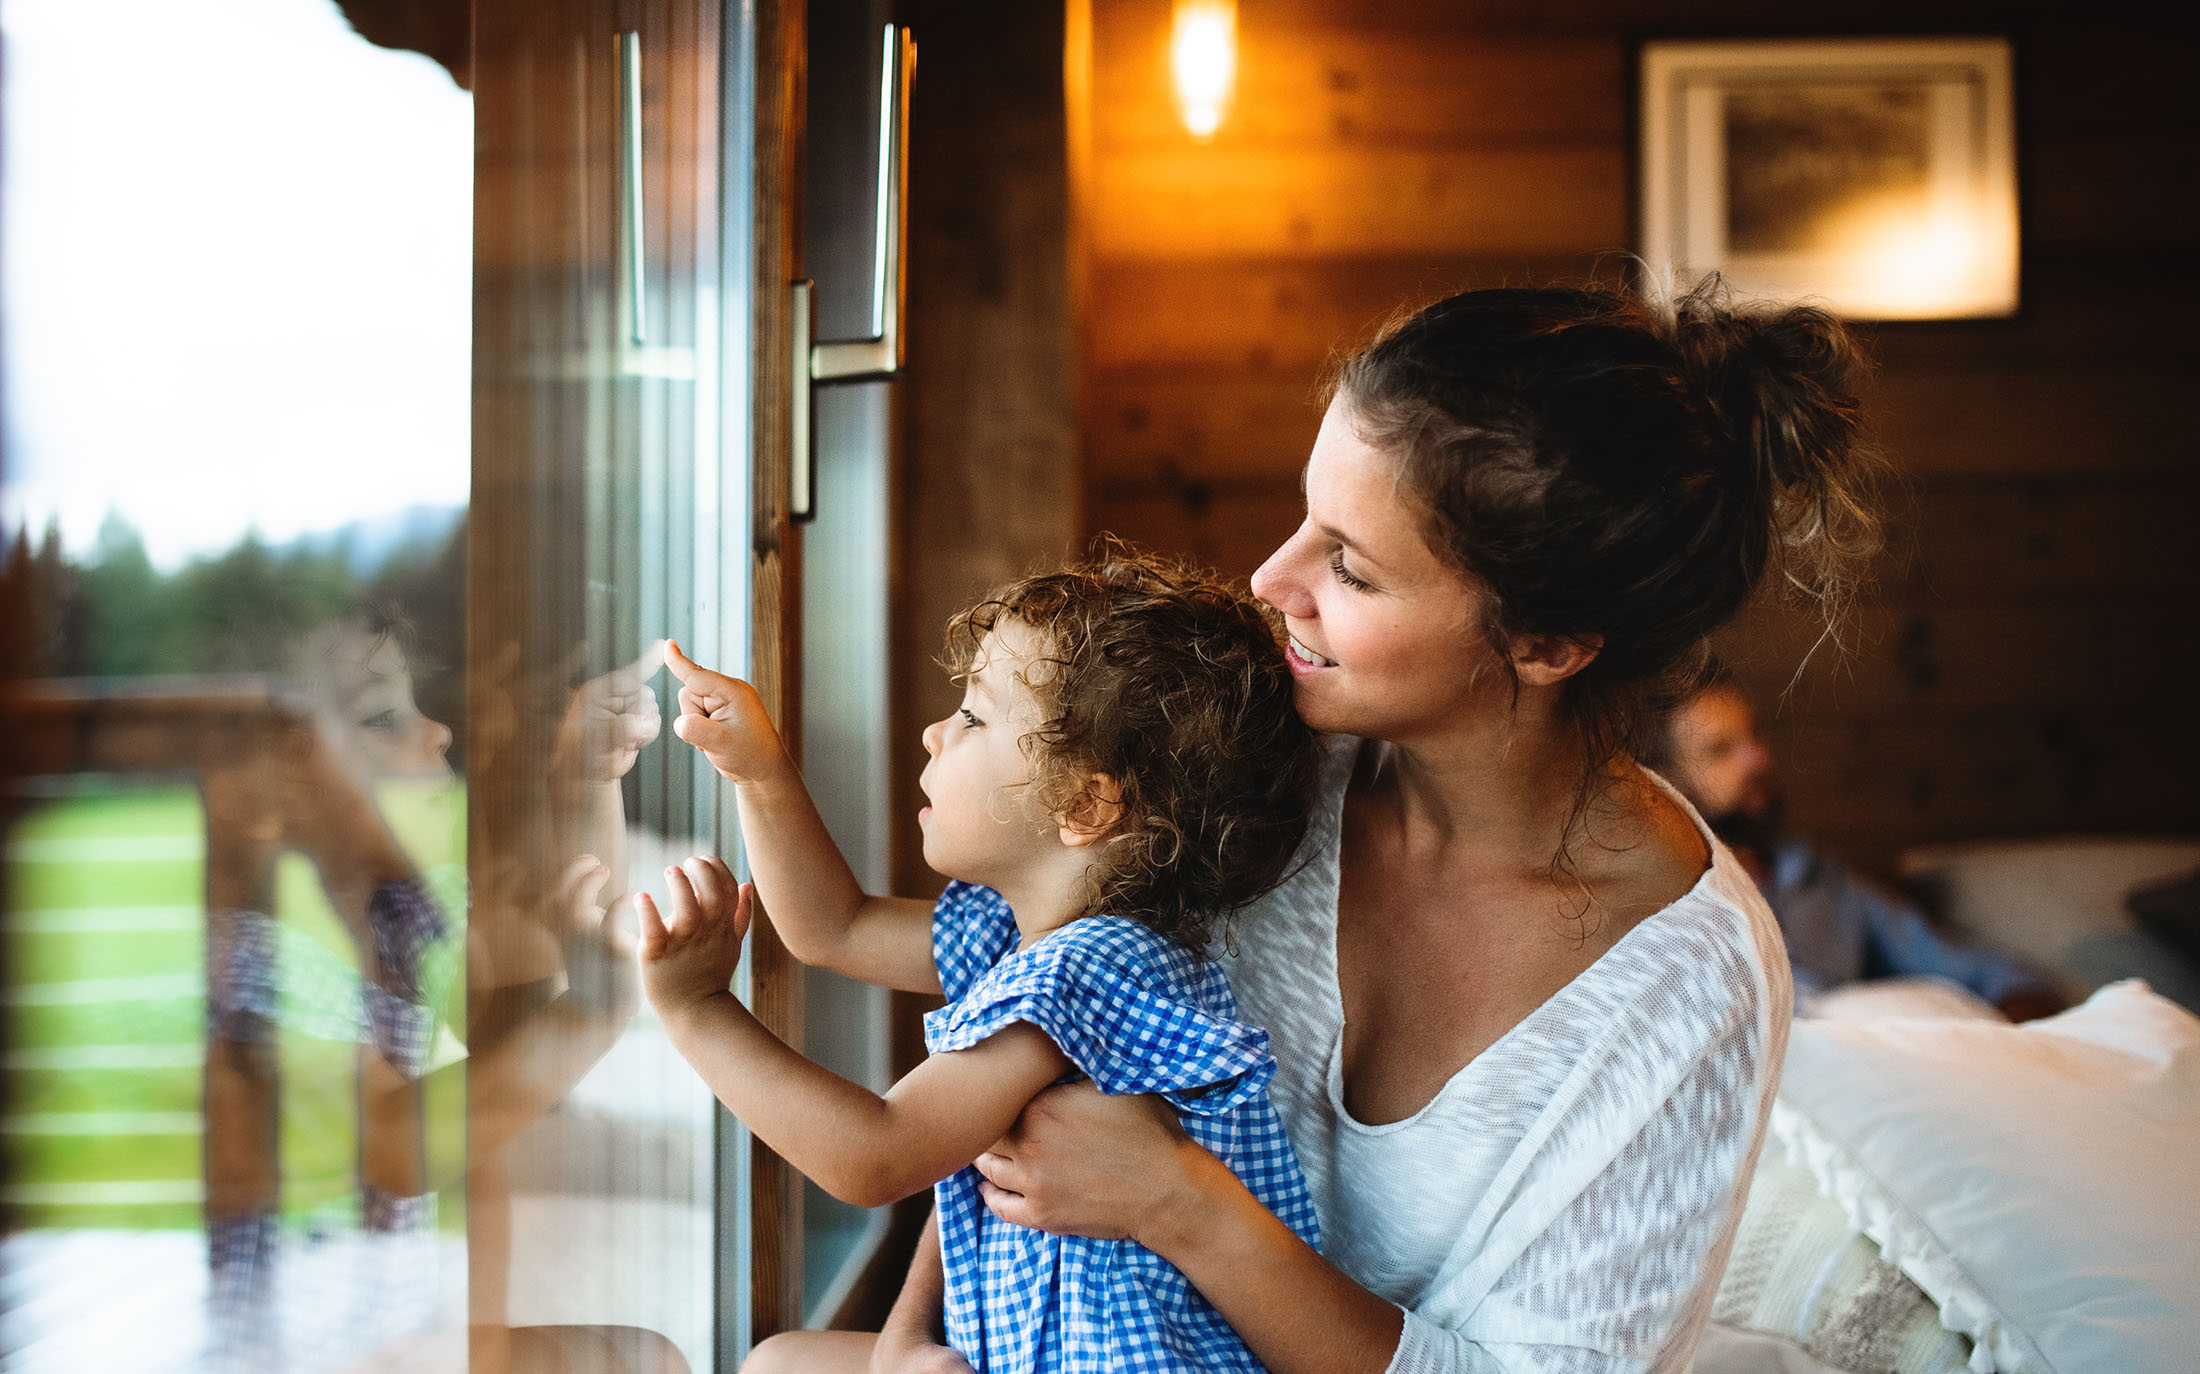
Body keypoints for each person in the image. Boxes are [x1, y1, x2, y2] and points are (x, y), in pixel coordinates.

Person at [869, 277, 1886, 1374]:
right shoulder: (1253, 765)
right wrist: (908, 1340)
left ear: (1548, 644)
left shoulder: (1690, 987)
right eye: (1305, 517)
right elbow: (1043, 1019)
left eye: (1348, 566)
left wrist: (1188, 1209)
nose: (1271, 579)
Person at [643, 552, 1325, 1373]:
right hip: (1025, 1348)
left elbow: (876, 1157)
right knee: (782, 1359)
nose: (936, 731)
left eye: (972, 718)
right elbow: (836, 927)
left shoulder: (1090, 973)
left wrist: (698, 1010)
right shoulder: (1032, 937)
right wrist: (757, 769)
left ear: (1084, 804)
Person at [1644, 665, 2061, 1020]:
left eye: (1754, 734)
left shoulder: (1817, 879)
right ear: (1660, 776)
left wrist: (2015, 1033)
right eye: (1720, 750)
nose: (1758, 760)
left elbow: (1985, 972)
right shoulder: (1655, 904)